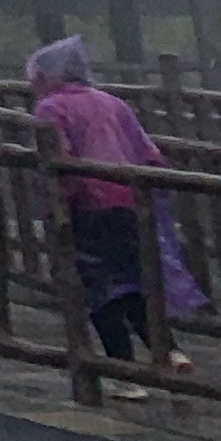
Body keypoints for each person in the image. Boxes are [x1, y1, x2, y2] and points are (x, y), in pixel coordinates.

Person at [26, 37, 163, 367]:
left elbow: (62, 159)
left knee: (100, 289)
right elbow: (150, 155)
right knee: (135, 283)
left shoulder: (50, 108)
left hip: (88, 207)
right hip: (130, 203)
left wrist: (60, 202)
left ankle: (122, 367)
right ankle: (168, 353)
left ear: (46, 77)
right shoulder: (112, 102)